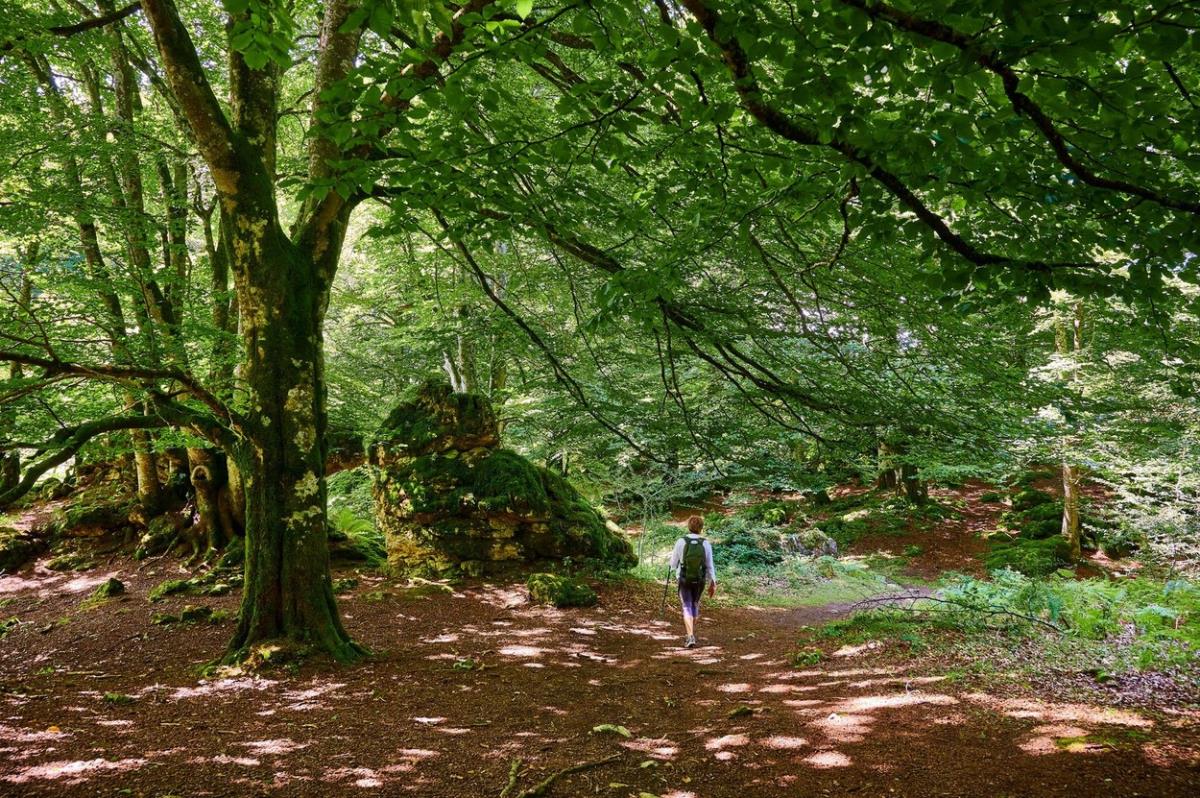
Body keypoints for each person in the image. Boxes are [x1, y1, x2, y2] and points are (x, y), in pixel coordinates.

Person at [669, 515, 717, 648]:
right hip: (700, 580)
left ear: (688, 526)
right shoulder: (705, 543)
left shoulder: (681, 541)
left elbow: (673, 564)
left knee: (686, 605)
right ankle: (690, 632)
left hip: (684, 579)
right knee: (694, 604)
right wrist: (713, 582)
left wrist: (672, 567)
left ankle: (690, 635)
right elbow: (709, 565)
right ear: (701, 528)